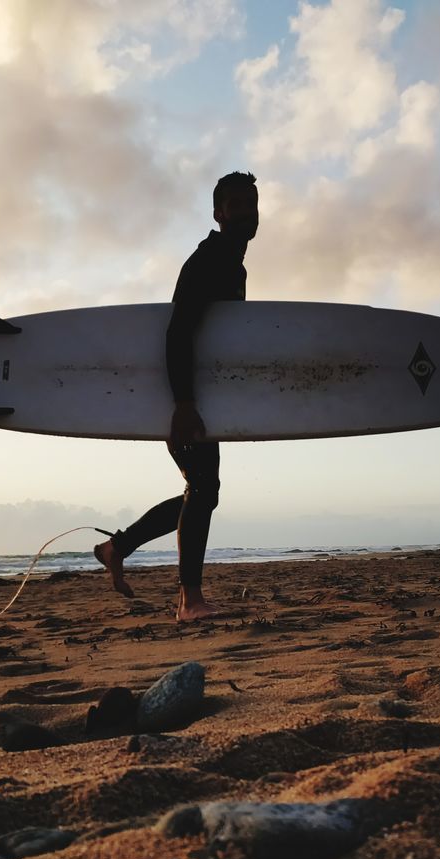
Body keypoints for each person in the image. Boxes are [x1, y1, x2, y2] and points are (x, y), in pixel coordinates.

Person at [94, 171, 259, 621]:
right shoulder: (209, 260)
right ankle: (189, 601)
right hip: (184, 399)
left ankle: (118, 547)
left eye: (252, 204)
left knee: (203, 492)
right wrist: (183, 403)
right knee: (203, 490)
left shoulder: (233, 263)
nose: (248, 212)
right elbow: (178, 332)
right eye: (237, 205)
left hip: (200, 398)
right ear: (218, 213)